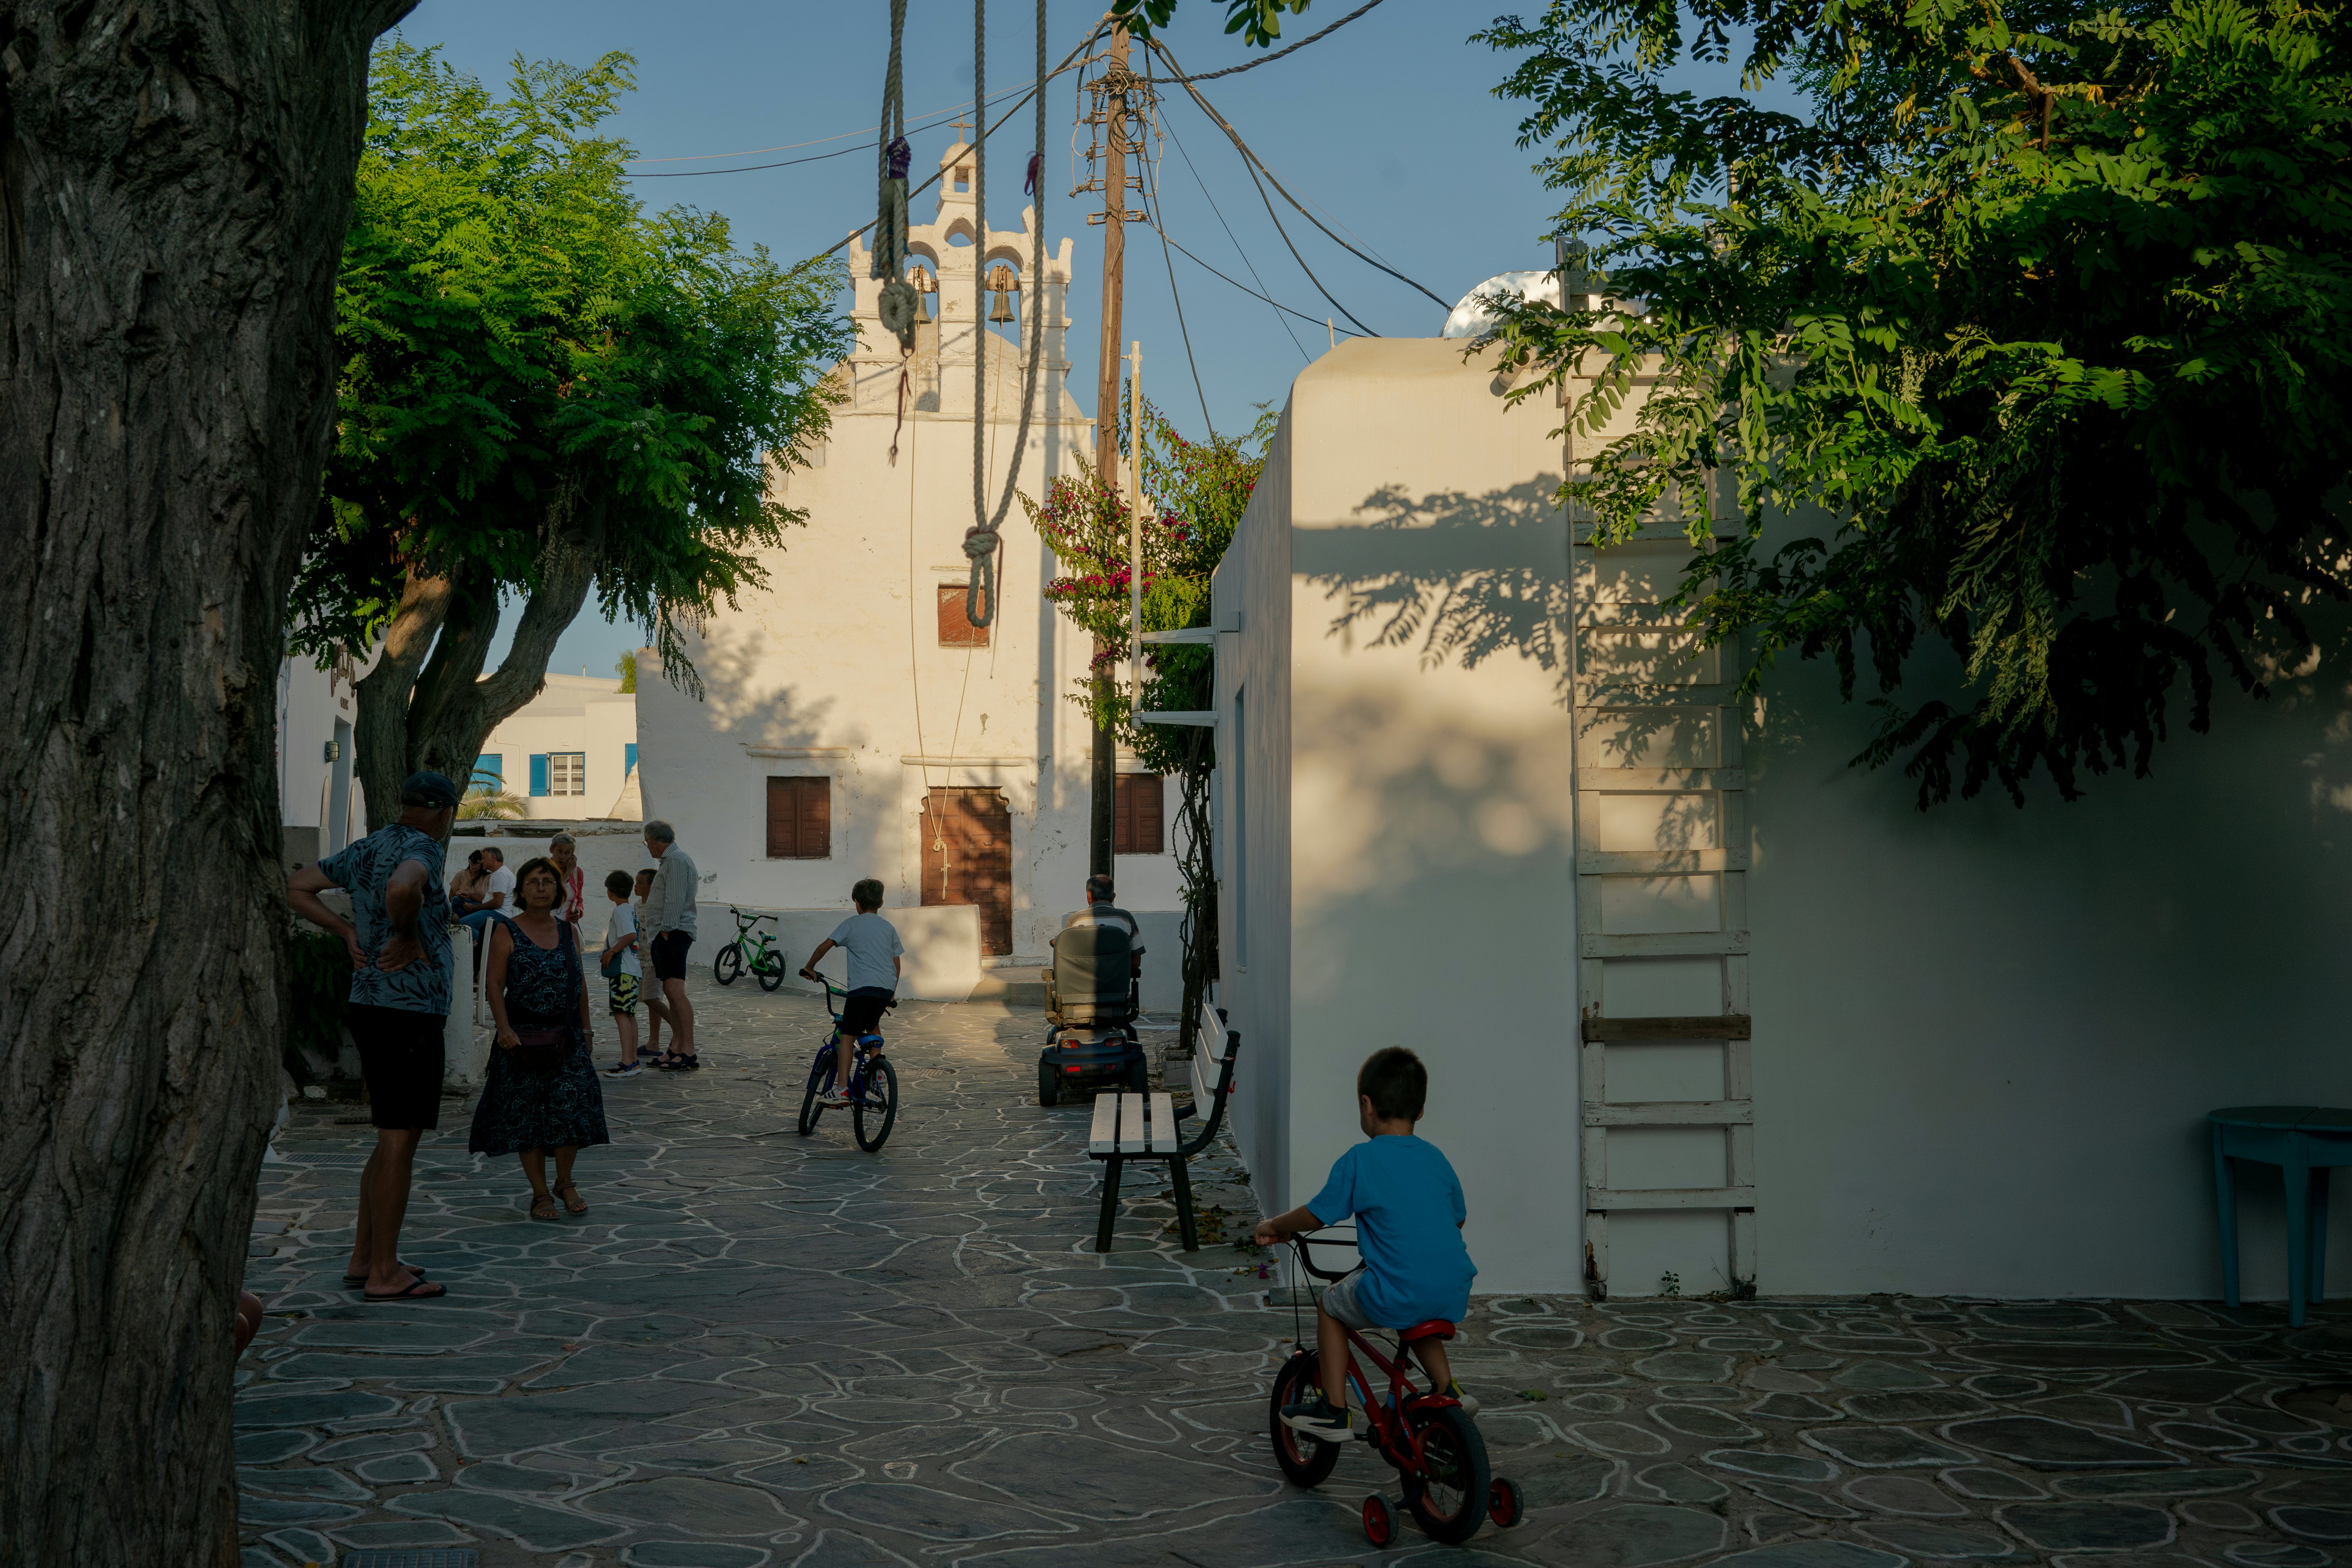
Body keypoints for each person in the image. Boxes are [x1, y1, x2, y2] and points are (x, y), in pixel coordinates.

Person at [286, 770, 460, 1301]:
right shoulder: (423, 850)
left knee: (389, 1136)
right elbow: (404, 885)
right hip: (407, 1014)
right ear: (445, 813)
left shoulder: (368, 846)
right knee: (399, 1140)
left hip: (370, 1005)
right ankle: (385, 1272)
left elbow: (298, 886)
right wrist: (406, 934)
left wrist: (346, 931)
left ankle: (366, 1257)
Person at [1254, 1047, 1478, 1441]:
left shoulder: (1361, 1160)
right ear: (1420, 1111)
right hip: (1454, 1287)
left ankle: (1334, 1409)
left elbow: (1317, 1215)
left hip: (1397, 1290)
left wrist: (1276, 1224)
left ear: (1367, 1105)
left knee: (1330, 1305)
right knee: (1414, 1305)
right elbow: (1457, 1217)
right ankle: (1448, 1388)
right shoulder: (1437, 1159)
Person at [468, 856, 610, 1220]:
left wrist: (588, 1029)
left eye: (548, 881)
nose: (542, 887)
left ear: (558, 889)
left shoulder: (568, 933)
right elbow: (494, 985)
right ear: (521, 891)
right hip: (520, 1040)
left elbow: (577, 984)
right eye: (533, 882)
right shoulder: (506, 931)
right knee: (526, 1118)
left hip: (566, 1038)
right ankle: (540, 1193)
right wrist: (503, 1029)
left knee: (570, 1111)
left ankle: (565, 1182)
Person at [800, 878, 904, 1105]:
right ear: (881, 903)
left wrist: (810, 968)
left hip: (861, 990)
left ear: (856, 903)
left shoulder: (851, 924)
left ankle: (842, 1089)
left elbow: (824, 947)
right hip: (885, 989)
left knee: (848, 1036)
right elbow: (896, 963)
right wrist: (891, 994)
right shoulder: (889, 928)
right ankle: (876, 1074)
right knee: (872, 1024)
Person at [641, 820, 699, 1070]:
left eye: (648, 843)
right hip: (668, 934)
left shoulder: (675, 861)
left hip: (672, 934)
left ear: (655, 840)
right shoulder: (672, 860)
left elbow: (674, 899)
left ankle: (688, 1050)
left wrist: (666, 929)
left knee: (676, 993)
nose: (648, 848)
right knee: (670, 992)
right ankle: (676, 1046)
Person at [598, 869, 644, 1077]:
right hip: (632, 969)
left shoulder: (621, 911)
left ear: (610, 892)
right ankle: (633, 1060)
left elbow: (630, 935)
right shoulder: (631, 909)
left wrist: (612, 951)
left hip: (623, 970)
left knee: (620, 1013)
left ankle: (627, 1061)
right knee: (629, 1014)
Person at [1063, 872, 1145, 980]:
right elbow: (1136, 962)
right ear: (1113, 897)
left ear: (1089, 895)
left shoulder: (1075, 919)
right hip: (1117, 990)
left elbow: (1067, 957)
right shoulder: (1126, 918)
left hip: (1081, 989)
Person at [458, 846, 513, 943]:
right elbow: (488, 900)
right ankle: (480, 934)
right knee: (457, 901)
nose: (481, 862)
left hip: (500, 913)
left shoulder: (501, 874)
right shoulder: (496, 874)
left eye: (483, 859)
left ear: (493, 858)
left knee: (465, 922)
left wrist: (474, 908)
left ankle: (486, 947)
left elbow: (498, 903)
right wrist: (470, 895)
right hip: (492, 910)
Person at [548, 831, 586, 924]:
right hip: (547, 923)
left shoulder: (577, 873)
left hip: (567, 925)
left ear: (572, 855)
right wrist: (568, 871)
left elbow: (579, 900)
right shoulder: (544, 870)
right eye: (560, 851)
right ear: (552, 849)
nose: (562, 857)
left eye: (567, 853)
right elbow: (554, 894)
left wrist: (578, 911)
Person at [448, 849, 489, 917]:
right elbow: (451, 897)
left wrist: (471, 897)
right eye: (471, 862)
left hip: (480, 907)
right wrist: (460, 895)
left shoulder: (488, 878)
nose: (472, 865)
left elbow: (489, 901)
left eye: (476, 863)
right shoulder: (462, 875)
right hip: (463, 907)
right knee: (456, 900)